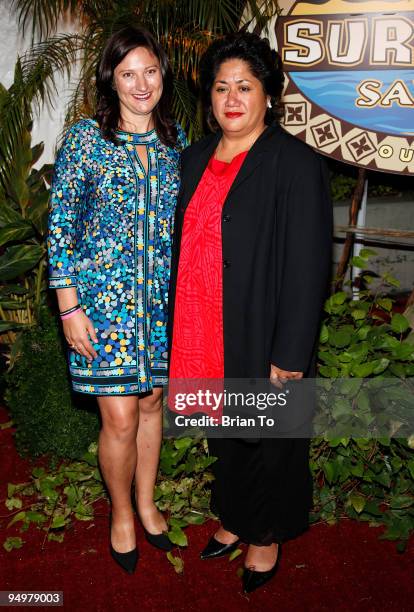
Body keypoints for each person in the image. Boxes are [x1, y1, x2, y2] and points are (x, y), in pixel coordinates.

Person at [168, 32, 332, 593]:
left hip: (262, 331)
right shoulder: (192, 159)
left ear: (268, 94)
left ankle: (267, 535)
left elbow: (310, 267)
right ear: (208, 97)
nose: (231, 98)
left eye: (245, 86)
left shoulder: (294, 164)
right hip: (203, 328)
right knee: (226, 438)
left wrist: (289, 352)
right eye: (220, 87)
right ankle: (236, 519)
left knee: (270, 443)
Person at [48, 25, 187, 574]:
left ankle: (149, 502)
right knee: (121, 418)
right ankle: (122, 511)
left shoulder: (174, 144)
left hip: (159, 307)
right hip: (102, 308)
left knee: (152, 405)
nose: (141, 83)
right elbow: (60, 228)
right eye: (128, 73)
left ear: (162, 74)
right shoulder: (86, 140)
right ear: (111, 79)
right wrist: (68, 306)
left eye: (149, 71)